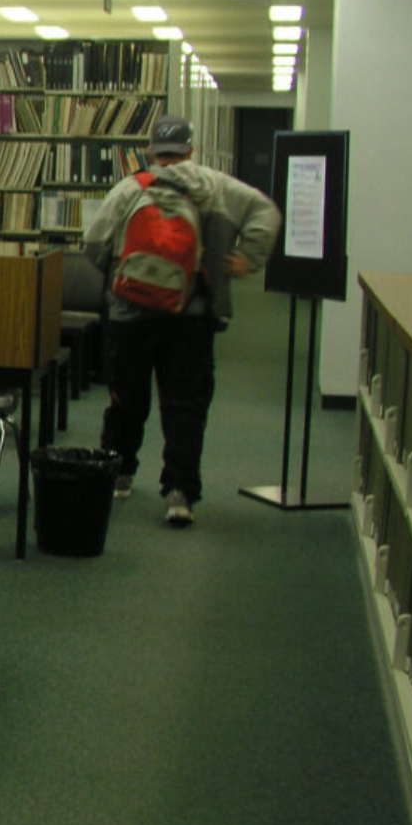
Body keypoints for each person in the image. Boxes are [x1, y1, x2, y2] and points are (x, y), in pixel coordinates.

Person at [81, 115, 281, 527]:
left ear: (151, 150)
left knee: (126, 400)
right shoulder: (219, 188)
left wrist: (124, 276)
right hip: (192, 316)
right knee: (185, 405)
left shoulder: (130, 188)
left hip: (130, 315)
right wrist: (247, 259)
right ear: (190, 149)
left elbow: (94, 244)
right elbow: (267, 213)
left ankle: (119, 472)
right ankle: (180, 493)